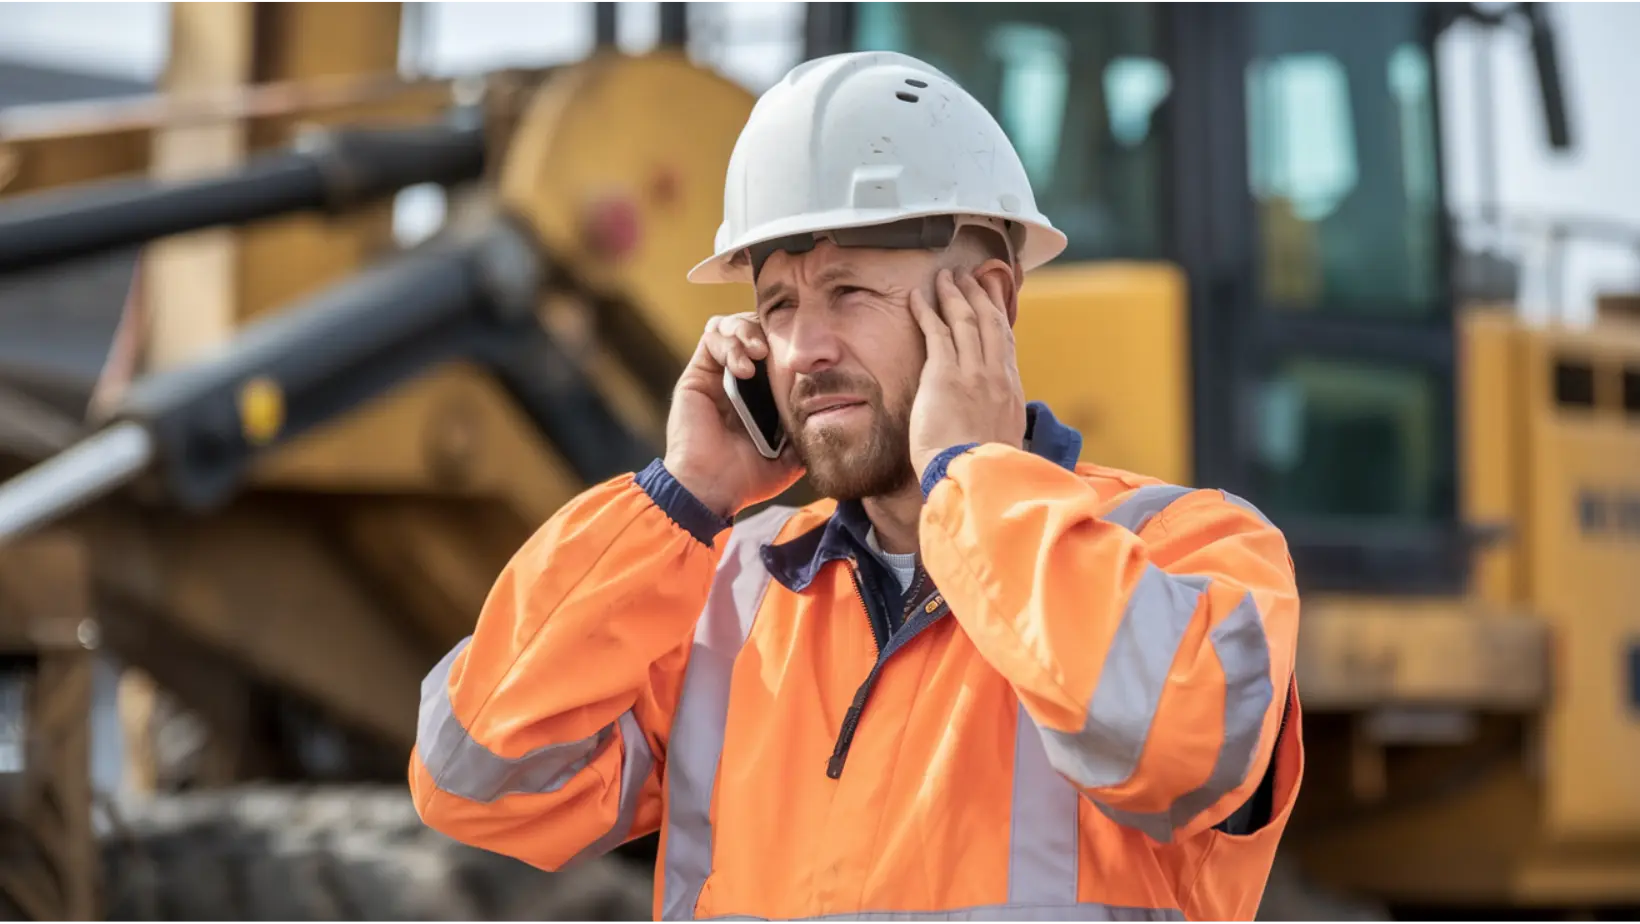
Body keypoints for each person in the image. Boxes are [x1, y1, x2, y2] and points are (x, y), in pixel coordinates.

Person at [410, 50, 1303, 924]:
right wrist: (680, 498)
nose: (803, 350)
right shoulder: (724, 600)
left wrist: (974, 483)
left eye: (848, 291)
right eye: (779, 305)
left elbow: (1177, 748)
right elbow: (474, 780)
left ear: (987, 302)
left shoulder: (1194, 552)